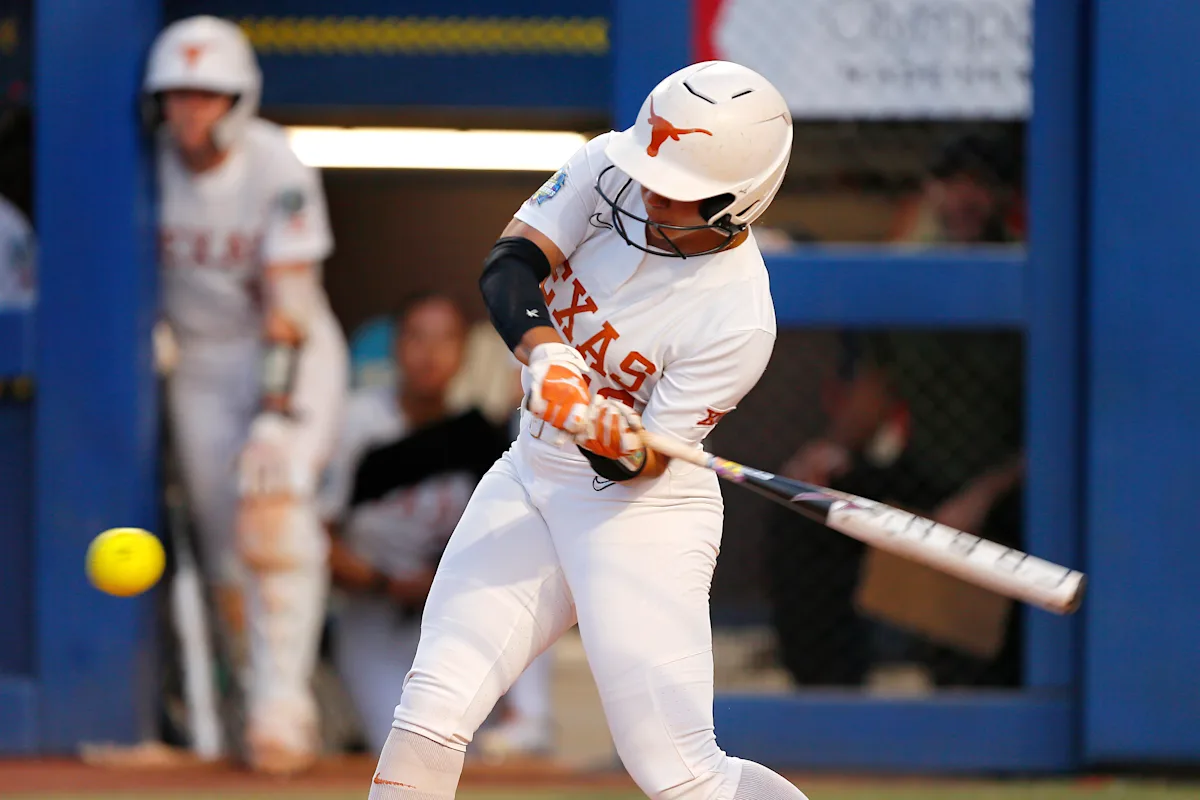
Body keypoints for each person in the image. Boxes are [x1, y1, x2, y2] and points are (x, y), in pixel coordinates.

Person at [365, 61, 808, 800]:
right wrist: (552, 361)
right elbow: (510, 266)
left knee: (680, 774)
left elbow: (638, 466)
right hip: (529, 473)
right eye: (650, 170)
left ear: (737, 203)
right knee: (429, 714)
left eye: (678, 192)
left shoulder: (738, 320)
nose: (650, 194)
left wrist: (601, 426)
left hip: (641, 519)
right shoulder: (609, 166)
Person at [144, 16, 348, 773]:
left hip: (280, 352)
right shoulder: (144, 163)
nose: (190, 112)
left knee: (272, 513)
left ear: (238, 97)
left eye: (207, 95)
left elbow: (288, 309)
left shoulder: (273, 163)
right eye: (176, 97)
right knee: (228, 552)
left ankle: (281, 710)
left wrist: (272, 414)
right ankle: (244, 705)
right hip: (195, 362)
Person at [770, 132, 1026, 690]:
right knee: (803, 511)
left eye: (979, 185)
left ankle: (987, 694)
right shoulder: (909, 273)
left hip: (1007, 489)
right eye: (949, 184)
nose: (964, 199)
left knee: (975, 668)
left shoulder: (1029, 273)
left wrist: (977, 499)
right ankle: (828, 693)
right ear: (929, 191)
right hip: (924, 473)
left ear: (1003, 195)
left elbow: (1052, 430)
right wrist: (834, 447)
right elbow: (875, 391)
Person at [320, 293, 552, 756]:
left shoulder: (478, 434)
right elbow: (313, 538)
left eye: (445, 339)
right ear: (394, 348)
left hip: (454, 612)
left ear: (465, 352)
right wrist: (387, 583)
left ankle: (530, 720)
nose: (430, 353)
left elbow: (519, 536)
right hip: (377, 614)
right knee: (408, 753)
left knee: (486, 754)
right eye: (416, 337)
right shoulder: (353, 422)